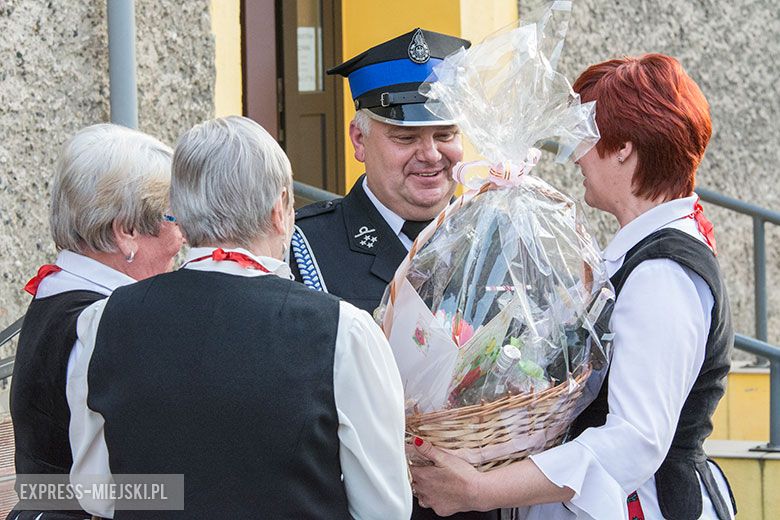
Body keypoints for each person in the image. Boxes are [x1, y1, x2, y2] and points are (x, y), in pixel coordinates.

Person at [410, 54, 737, 520]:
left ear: (623, 147)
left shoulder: (662, 273)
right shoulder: (646, 252)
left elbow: (634, 439)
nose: (577, 154)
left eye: (585, 135)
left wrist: (481, 490)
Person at [65, 116, 411, 519]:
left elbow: (96, 492)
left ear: (179, 211)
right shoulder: (344, 331)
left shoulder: (101, 320)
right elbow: (385, 510)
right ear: (279, 209)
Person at [7, 124, 183, 520]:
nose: (183, 235)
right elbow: (126, 490)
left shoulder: (61, 290)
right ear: (126, 232)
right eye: (175, 216)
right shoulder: (105, 321)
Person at [291, 28, 470, 316]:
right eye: (405, 138)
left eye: (445, 135)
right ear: (359, 140)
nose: (431, 155)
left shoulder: (497, 236)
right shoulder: (305, 248)